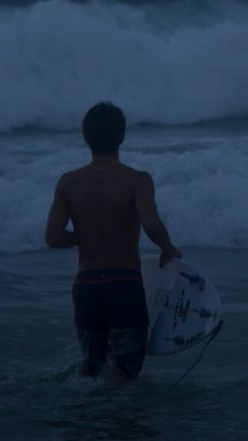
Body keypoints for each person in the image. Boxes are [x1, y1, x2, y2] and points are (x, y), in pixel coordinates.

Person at [45, 101, 182, 383]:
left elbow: (54, 238)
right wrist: (168, 249)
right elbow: (151, 224)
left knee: (92, 368)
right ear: (122, 136)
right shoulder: (137, 180)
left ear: (85, 137)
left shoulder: (68, 182)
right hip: (124, 284)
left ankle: (90, 422)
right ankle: (120, 424)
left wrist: (84, 234)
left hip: (87, 287)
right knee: (127, 372)